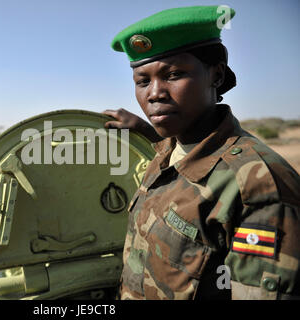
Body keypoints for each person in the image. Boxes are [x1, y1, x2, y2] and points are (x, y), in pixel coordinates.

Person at [103, 5, 300, 300]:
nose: (154, 93)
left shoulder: (258, 186)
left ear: (216, 75)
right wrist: (146, 130)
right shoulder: (166, 154)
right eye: (143, 81)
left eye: (173, 74)